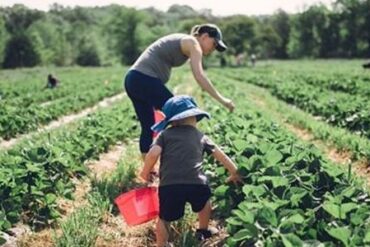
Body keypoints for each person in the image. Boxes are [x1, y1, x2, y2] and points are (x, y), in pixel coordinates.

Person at [139, 95, 242, 247]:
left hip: (169, 185)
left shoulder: (164, 135)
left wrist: (145, 171)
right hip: (197, 183)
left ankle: (162, 244)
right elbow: (220, 155)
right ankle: (202, 230)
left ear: (171, 121)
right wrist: (235, 172)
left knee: (164, 218)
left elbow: (153, 154)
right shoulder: (200, 136)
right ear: (194, 117)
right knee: (205, 204)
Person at [124, 24, 235, 159]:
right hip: (144, 79)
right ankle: (186, 159)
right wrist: (223, 100)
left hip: (132, 79)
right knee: (184, 116)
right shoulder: (193, 43)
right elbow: (199, 76)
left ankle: (147, 169)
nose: (214, 49)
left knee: (148, 125)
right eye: (214, 44)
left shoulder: (186, 42)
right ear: (205, 36)